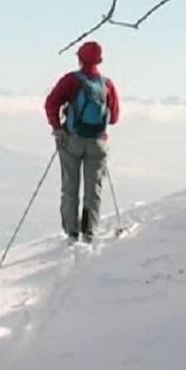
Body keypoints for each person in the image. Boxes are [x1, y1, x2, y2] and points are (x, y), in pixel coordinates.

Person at [45, 41, 120, 243]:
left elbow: (51, 103)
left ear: (80, 58)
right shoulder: (107, 84)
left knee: (70, 186)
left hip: (72, 140)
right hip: (97, 142)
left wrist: (57, 128)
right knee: (92, 188)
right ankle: (88, 230)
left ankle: (71, 231)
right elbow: (114, 118)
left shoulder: (71, 80)